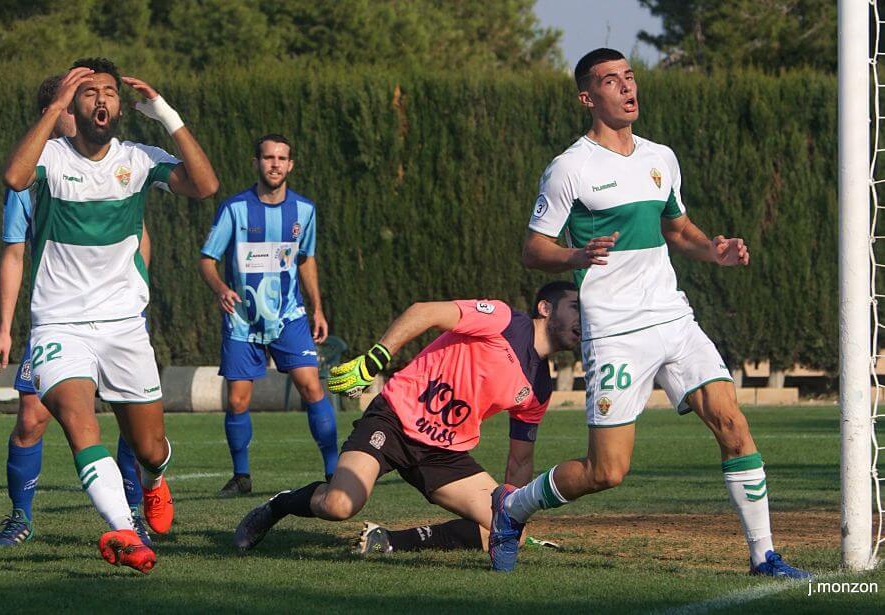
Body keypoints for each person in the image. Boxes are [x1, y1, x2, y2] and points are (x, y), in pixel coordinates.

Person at [490, 48, 809, 578]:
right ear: (588, 97)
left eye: (630, 77)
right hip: (614, 332)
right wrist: (575, 256)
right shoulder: (571, 168)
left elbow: (678, 228)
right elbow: (532, 249)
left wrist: (714, 250)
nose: (627, 88)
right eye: (611, 81)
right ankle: (513, 508)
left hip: (672, 317)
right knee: (607, 471)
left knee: (732, 422)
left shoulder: (660, 156)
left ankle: (764, 556)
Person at [1, 57, 219, 573]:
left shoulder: (140, 159)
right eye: (88, 92)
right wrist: (53, 103)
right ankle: (125, 533)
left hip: (123, 326)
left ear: (121, 106)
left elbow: (205, 186)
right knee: (79, 424)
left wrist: (165, 111)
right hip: (59, 324)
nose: (101, 99)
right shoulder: (51, 157)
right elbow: (14, 177)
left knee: (150, 448)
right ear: (73, 107)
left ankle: (154, 483)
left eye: (110, 92)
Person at [233, 281, 581, 554]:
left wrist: (513, 516)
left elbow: (520, 462)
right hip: (394, 419)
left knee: (512, 532)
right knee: (340, 504)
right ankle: (280, 505)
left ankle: (389, 542)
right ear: (544, 308)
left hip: (444, 454)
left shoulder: (539, 388)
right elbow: (424, 311)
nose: (583, 320)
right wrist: (374, 359)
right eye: (576, 308)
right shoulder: (504, 319)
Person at [0, 75, 153, 549]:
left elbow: (138, 235)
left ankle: (132, 513)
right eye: (73, 103)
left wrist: (134, 297)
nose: (88, 109)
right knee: (31, 417)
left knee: (128, 416)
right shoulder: (32, 172)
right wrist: (4, 328)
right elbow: (15, 253)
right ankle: (20, 516)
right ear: (56, 112)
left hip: (117, 319)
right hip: (60, 322)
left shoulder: (117, 164)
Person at [199, 133, 338, 497]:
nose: (275, 164)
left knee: (311, 386)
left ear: (290, 164)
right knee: (237, 401)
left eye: (282, 158)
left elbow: (306, 258)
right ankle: (241, 476)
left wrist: (318, 307)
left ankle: (334, 471)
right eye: (268, 157)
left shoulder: (304, 211)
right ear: (256, 163)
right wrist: (221, 289)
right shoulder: (234, 209)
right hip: (243, 319)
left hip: (288, 316)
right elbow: (207, 260)